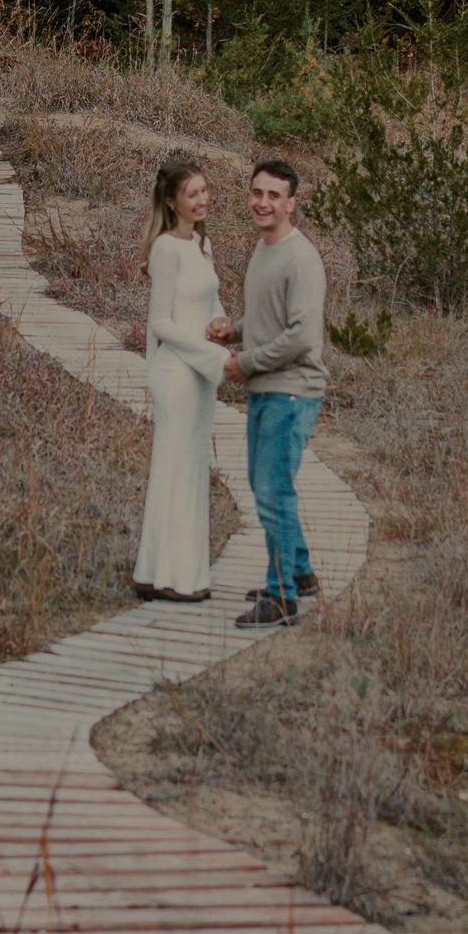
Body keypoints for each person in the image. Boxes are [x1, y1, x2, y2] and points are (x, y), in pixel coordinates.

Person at [209, 159, 328, 627]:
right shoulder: (264, 248)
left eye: (274, 196)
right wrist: (234, 331)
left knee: (273, 492)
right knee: (266, 486)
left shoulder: (301, 259)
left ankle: (281, 599)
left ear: (291, 204)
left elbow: (301, 336)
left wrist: (246, 363)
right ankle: (299, 574)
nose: (262, 202)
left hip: (291, 391)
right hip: (268, 387)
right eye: (257, 193)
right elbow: (268, 319)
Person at [133, 161, 244, 603]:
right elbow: (162, 322)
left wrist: (221, 324)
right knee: (174, 466)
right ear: (171, 201)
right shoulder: (166, 249)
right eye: (192, 194)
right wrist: (213, 354)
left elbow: (210, 302)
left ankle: (176, 573)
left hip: (201, 372)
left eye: (204, 191)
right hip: (176, 371)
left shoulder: (202, 243)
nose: (202, 200)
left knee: (194, 465)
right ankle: (166, 576)